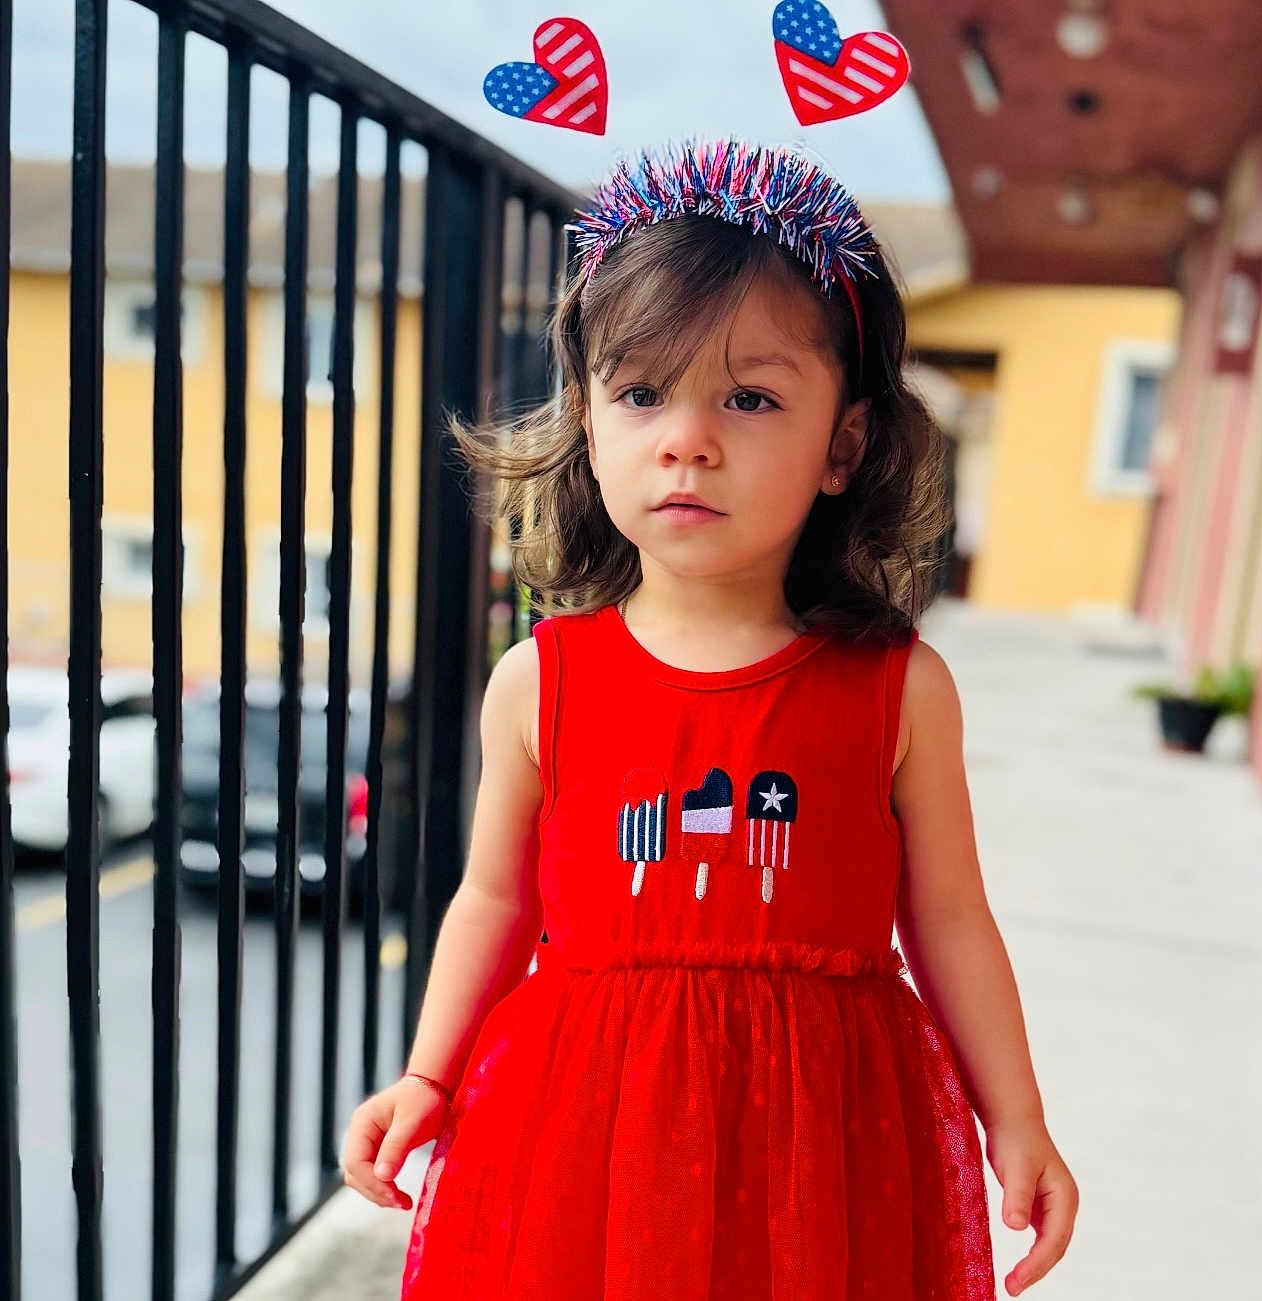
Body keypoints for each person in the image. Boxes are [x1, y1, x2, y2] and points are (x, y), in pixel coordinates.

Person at [341, 139, 1078, 1300]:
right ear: (590, 423)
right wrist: (428, 1075)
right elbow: (494, 895)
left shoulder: (896, 688)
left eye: (749, 395)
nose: (687, 435)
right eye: (641, 392)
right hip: (582, 1134)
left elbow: (946, 915)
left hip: (822, 1142)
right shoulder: (542, 678)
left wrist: (1016, 1116)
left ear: (841, 442)